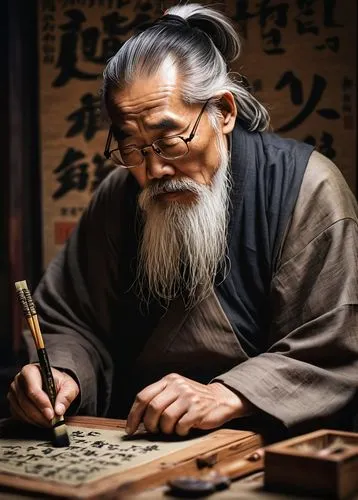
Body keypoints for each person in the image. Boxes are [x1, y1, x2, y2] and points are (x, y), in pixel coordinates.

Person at [8, 3, 358, 439]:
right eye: (132, 147)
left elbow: (333, 347)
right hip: (135, 438)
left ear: (224, 112)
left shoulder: (307, 188)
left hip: (264, 445)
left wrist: (230, 394)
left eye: (169, 141)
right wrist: (62, 375)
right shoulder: (119, 197)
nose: (154, 171)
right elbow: (73, 323)